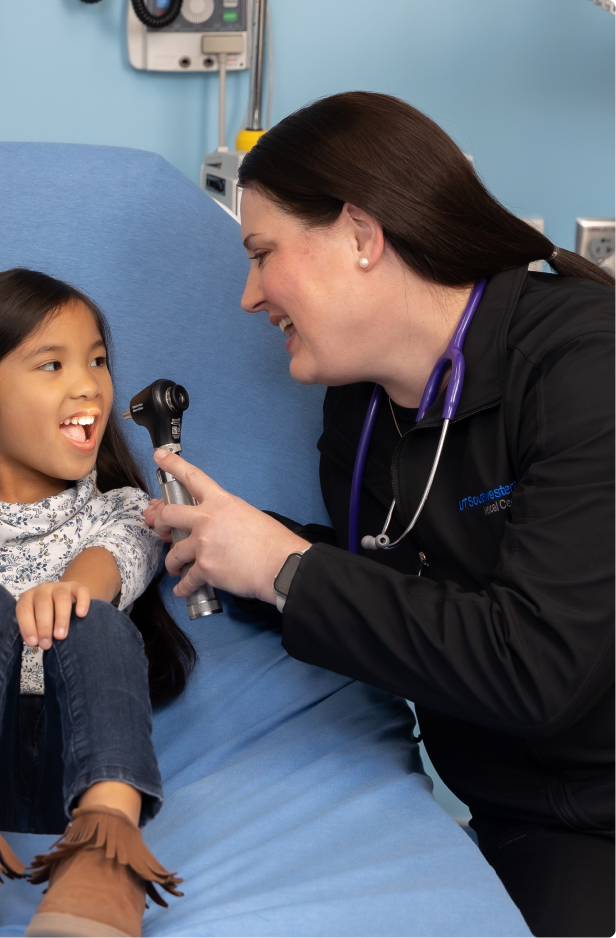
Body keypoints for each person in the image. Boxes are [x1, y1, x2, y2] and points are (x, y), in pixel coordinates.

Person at [143, 92, 615, 938]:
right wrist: (238, 554)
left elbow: (538, 669)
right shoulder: (362, 411)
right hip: (516, 813)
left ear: (362, 235)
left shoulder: (588, 369)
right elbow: (404, 588)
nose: (248, 297)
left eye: (261, 254)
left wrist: (285, 568)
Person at [0, 269, 190, 938]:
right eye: (53, 364)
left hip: (76, 768)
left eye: (96, 360)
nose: (88, 383)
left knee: (96, 620)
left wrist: (70, 591)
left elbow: (111, 563)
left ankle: (106, 854)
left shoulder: (124, 509)